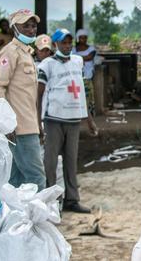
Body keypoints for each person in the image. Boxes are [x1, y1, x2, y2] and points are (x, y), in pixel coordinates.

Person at [38, 29, 98, 213]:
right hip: (53, 119)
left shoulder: (77, 62)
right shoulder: (47, 65)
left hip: (73, 119)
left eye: (69, 42)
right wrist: (37, 122)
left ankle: (72, 200)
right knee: (50, 163)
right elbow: (38, 95)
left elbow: (80, 93)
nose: (67, 46)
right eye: (63, 43)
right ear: (56, 44)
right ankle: (52, 201)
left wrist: (89, 120)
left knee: (71, 161)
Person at [0, 9, 46, 190]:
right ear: (15, 28)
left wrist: (38, 125)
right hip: (19, 128)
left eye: (33, 26)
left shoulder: (26, 53)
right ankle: (39, 217)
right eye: (26, 26)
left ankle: (18, 216)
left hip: (28, 125)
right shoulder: (9, 53)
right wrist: (6, 122)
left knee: (16, 179)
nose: (31, 30)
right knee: (36, 177)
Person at [73, 29, 97, 117]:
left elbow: (89, 57)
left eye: (85, 37)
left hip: (87, 75)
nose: (83, 39)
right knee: (77, 94)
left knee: (88, 93)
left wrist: (77, 57)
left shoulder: (91, 49)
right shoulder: (73, 49)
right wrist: (81, 58)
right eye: (81, 38)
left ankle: (89, 112)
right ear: (78, 38)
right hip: (76, 75)